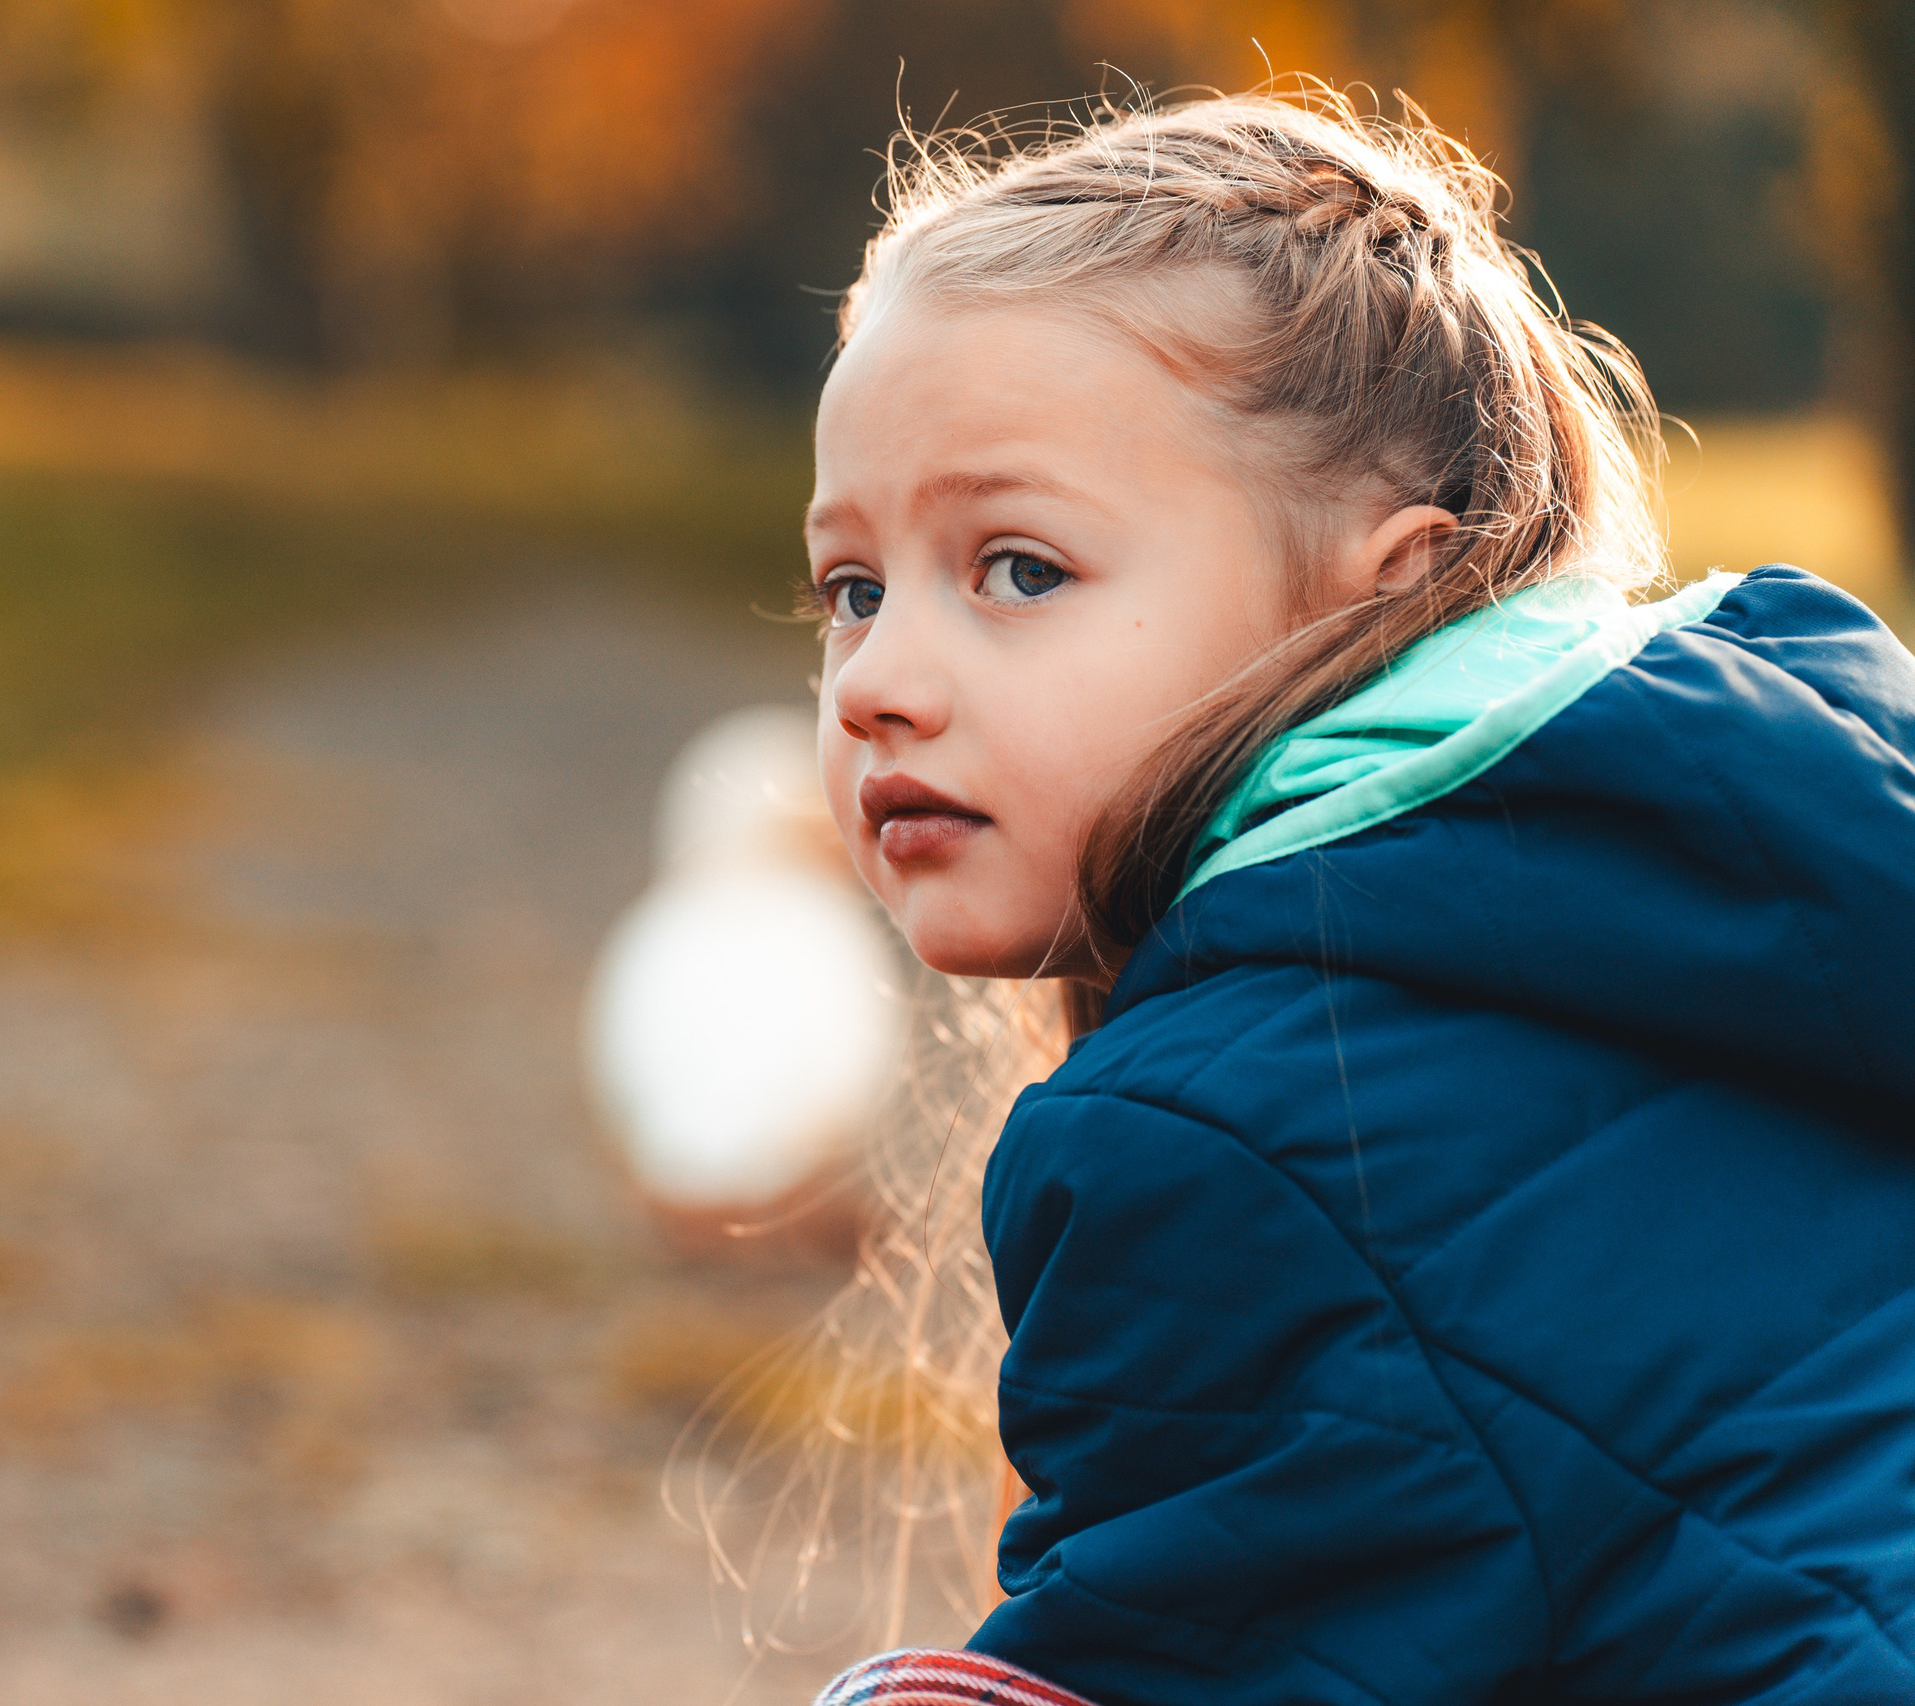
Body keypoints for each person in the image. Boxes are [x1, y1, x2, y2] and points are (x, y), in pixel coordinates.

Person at [796, 84, 1915, 1705]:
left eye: (1019, 568)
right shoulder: (1763, 861)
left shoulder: (1226, 1137)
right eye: (852, 587)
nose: (879, 680)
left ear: (1377, 598)